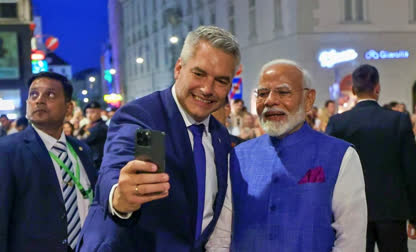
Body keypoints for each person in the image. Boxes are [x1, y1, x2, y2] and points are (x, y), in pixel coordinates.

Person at [78, 25, 240, 251]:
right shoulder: (144, 117)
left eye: (221, 81)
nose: (207, 88)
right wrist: (120, 196)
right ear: (178, 69)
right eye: (199, 73)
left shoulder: (220, 137)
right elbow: (116, 167)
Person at [222, 59, 367, 251]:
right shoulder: (238, 157)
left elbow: (351, 240)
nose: (270, 101)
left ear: (308, 100)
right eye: (263, 93)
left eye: (283, 92)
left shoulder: (340, 156)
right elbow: (221, 234)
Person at [326, 64, 416, 252]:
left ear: (353, 90)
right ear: (377, 88)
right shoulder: (398, 120)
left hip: (351, 211)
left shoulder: (338, 123)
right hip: (392, 210)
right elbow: (411, 171)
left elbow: (330, 171)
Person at [0, 72, 97, 252]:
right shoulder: (7, 151)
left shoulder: (81, 150)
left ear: (69, 108)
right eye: (33, 95)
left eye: (50, 94)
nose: (39, 100)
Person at [81, 101, 108, 170]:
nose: (89, 115)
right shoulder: (92, 126)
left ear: (99, 112)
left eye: (92, 112)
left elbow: (84, 140)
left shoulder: (99, 127)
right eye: (87, 112)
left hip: (97, 163)